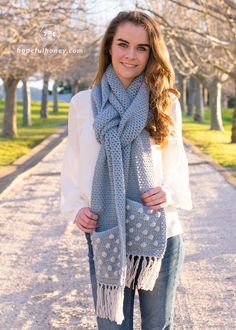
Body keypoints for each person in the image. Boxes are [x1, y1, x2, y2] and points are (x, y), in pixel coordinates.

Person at [60, 10, 192, 330]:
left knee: (158, 326)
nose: (130, 55)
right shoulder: (82, 104)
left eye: (142, 48)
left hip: (158, 233)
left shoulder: (164, 102)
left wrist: (169, 192)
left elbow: (177, 164)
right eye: (123, 44)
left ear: (151, 54)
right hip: (107, 232)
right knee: (112, 326)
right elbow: (71, 167)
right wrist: (77, 208)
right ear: (109, 47)